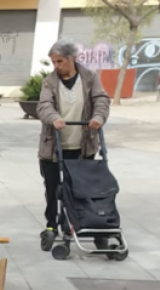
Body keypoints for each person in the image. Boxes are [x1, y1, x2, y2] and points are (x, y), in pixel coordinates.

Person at [36, 39, 110, 241]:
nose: (56, 66)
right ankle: (52, 225)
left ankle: (86, 223)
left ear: (72, 58)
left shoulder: (89, 77)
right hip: (53, 147)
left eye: (60, 61)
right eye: (53, 62)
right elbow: (43, 105)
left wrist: (98, 118)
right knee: (53, 189)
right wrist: (54, 118)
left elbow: (101, 100)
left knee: (83, 188)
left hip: (82, 146)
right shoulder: (49, 82)